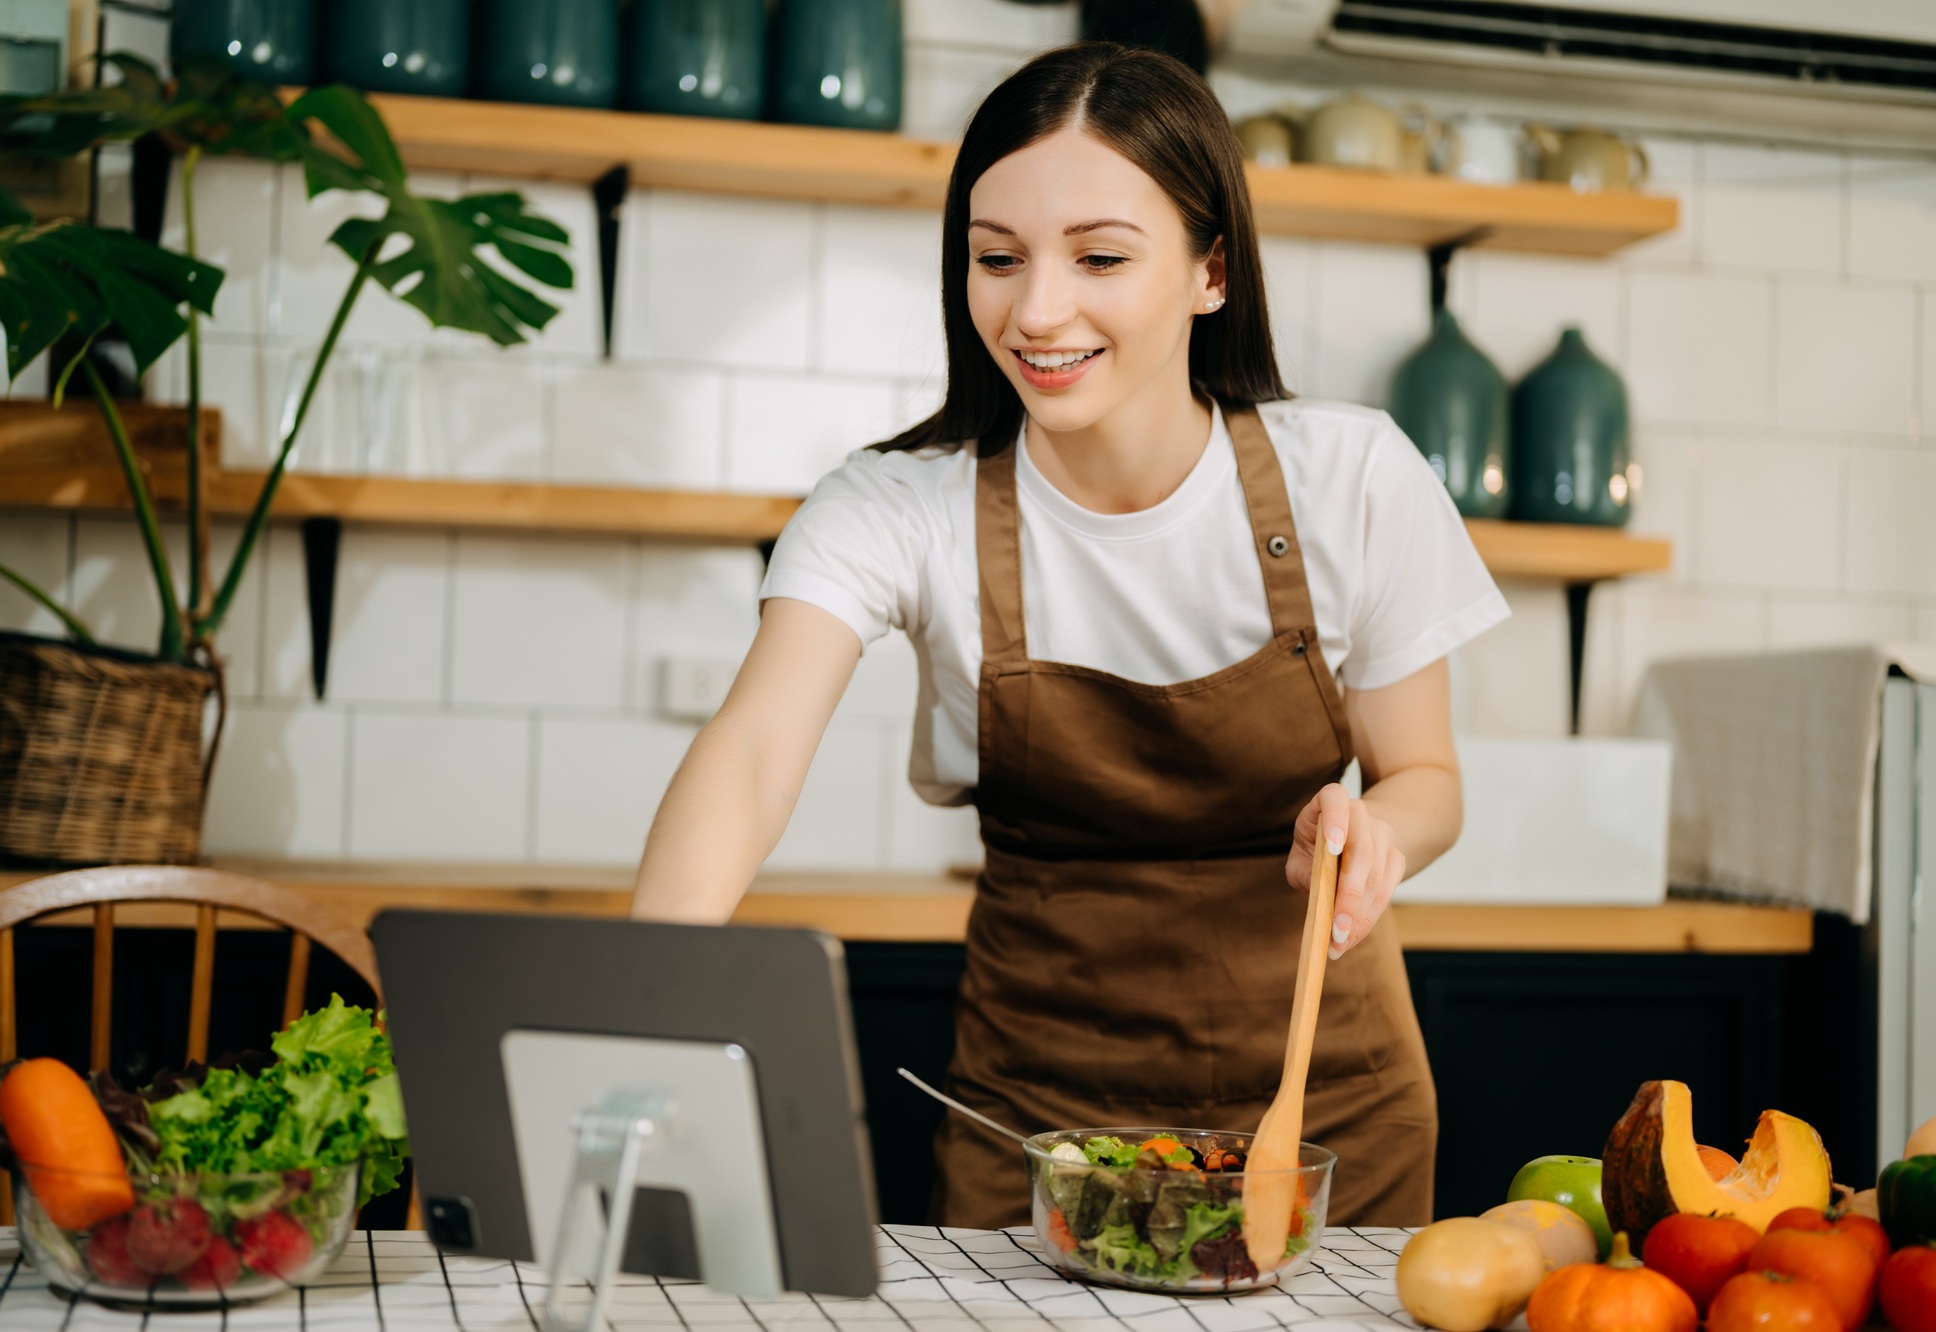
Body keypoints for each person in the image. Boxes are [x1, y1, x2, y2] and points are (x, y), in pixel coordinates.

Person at [630, 41, 1509, 1228]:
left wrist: (1380, 825)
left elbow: (1427, 777)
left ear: (1211, 270)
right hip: (1034, 1122)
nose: (1036, 310)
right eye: (996, 259)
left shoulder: (1349, 476)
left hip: (1321, 1111)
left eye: (1098, 256)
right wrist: (643, 1012)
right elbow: (750, 753)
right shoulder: (900, 507)